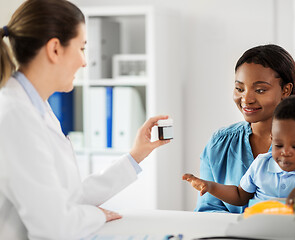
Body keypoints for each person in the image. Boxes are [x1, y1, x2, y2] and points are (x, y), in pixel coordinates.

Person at [0, 0, 170, 239]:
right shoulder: (14, 115)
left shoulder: (38, 108)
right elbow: (54, 227)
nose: (84, 61)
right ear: (55, 49)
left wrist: (135, 156)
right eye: (81, 48)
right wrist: (97, 215)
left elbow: (68, 197)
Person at [194, 44, 295, 213]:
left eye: (260, 90)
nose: (246, 99)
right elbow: (208, 210)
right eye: (239, 89)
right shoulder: (219, 143)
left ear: (286, 90)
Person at [184, 95, 295, 207]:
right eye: (278, 145)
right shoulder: (261, 163)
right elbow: (239, 195)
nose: (285, 152)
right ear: (272, 139)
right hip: (260, 228)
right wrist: (210, 186)